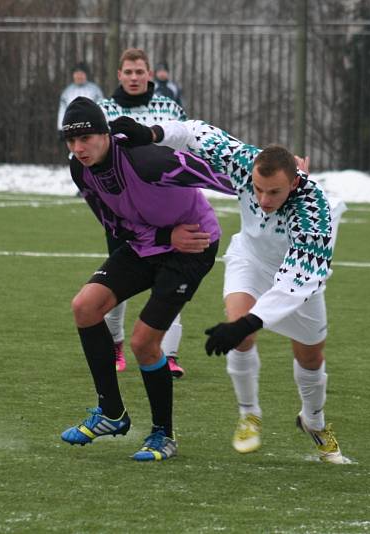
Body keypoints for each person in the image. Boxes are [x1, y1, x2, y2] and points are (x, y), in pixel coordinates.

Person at [110, 118, 348, 464]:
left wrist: (249, 322)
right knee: (240, 334)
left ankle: (313, 420)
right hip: (249, 259)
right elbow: (195, 132)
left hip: (296, 281)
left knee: (310, 356)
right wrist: (151, 134)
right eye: (258, 189)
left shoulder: (314, 209)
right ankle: (249, 413)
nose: (264, 200)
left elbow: (297, 280)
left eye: (275, 192)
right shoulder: (243, 161)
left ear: (295, 181)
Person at [59, 97, 235, 462]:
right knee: (85, 307)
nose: (79, 148)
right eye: (71, 141)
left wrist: (278, 177)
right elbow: (114, 225)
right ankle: (111, 413)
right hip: (147, 242)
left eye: (87, 137)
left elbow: (222, 177)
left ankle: (163, 435)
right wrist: (160, 238)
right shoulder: (81, 169)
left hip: (192, 244)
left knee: (143, 342)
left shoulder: (146, 160)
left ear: (105, 134)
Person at [98, 48, 188, 378]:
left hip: (166, 208)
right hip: (122, 210)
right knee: (117, 282)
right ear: (119, 75)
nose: (135, 77)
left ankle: (169, 353)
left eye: (140, 72)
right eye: (129, 72)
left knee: (171, 278)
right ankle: (116, 344)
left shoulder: (170, 108)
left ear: (149, 74)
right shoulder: (104, 111)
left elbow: (183, 150)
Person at [56, 62, 104, 139]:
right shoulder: (67, 92)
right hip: (72, 129)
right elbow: (62, 110)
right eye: (76, 73)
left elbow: (102, 108)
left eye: (81, 73)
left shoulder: (95, 90)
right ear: (73, 75)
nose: (79, 76)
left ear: (86, 75)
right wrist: (61, 128)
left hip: (92, 128)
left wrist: (103, 125)